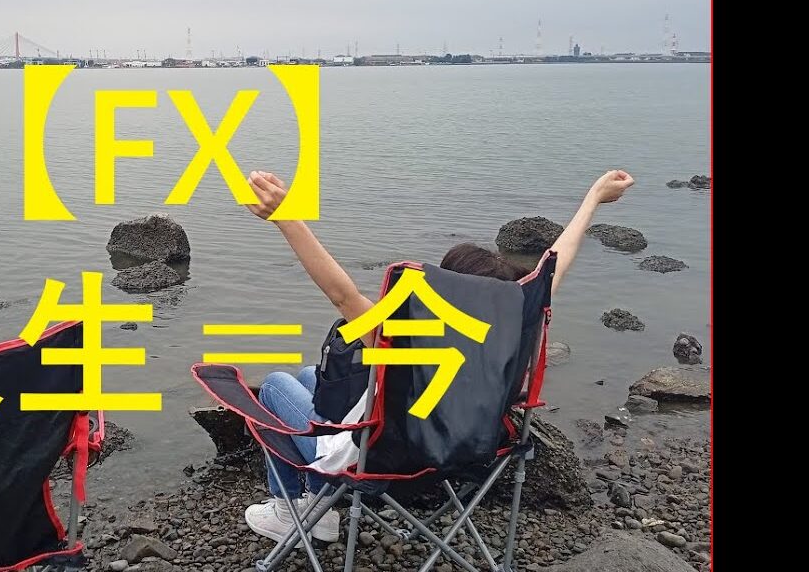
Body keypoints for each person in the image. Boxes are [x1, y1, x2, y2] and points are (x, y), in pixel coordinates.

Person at [238, 169, 635, 542]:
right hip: (462, 452)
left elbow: (341, 294)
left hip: (377, 464)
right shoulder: (514, 330)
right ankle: (317, 504)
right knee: (311, 377)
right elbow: (554, 266)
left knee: (275, 385)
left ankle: (292, 513)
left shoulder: (407, 337)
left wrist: (287, 217)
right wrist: (593, 198)